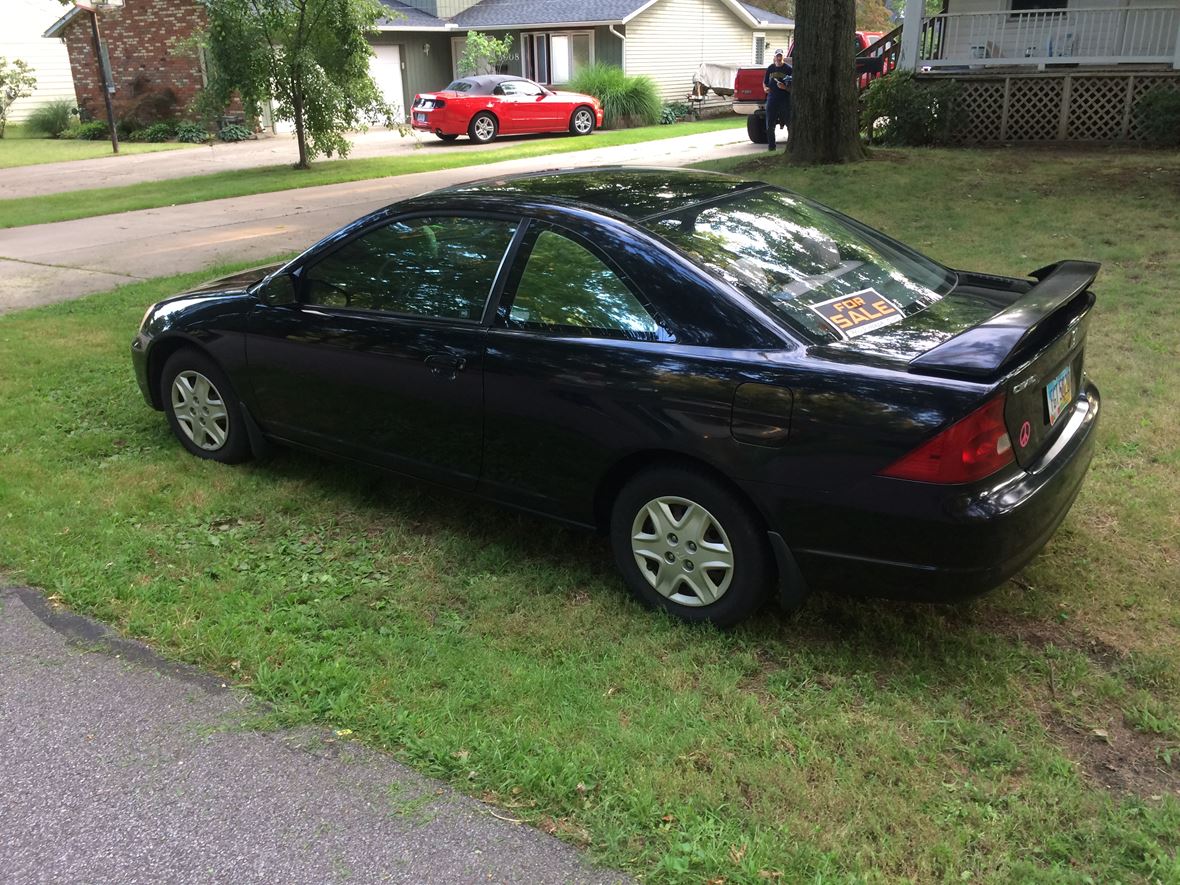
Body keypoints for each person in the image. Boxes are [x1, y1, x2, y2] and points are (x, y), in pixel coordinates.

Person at [763, 48, 792, 152]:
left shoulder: (788, 69)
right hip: (772, 99)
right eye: (777, 56)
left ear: (783, 57)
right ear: (774, 57)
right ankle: (771, 148)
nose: (779, 58)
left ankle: (791, 147)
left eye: (780, 56)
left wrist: (785, 88)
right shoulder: (770, 68)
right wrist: (765, 88)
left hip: (785, 100)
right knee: (770, 125)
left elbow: (793, 87)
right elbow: (765, 82)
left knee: (789, 124)